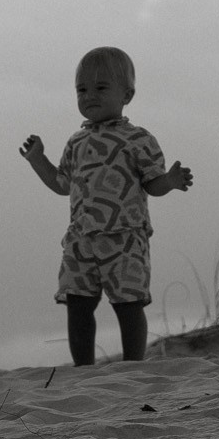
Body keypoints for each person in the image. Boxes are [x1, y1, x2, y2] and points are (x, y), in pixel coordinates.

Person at [20, 46, 194, 364]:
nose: (89, 96)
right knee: (78, 303)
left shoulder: (138, 139)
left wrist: (170, 180)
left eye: (101, 88)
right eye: (82, 90)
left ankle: (133, 366)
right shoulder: (76, 142)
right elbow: (62, 184)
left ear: (126, 94)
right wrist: (37, 159)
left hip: (124, 237)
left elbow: (152, 184)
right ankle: (83, 368)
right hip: (81, 239)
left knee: (128, 304)